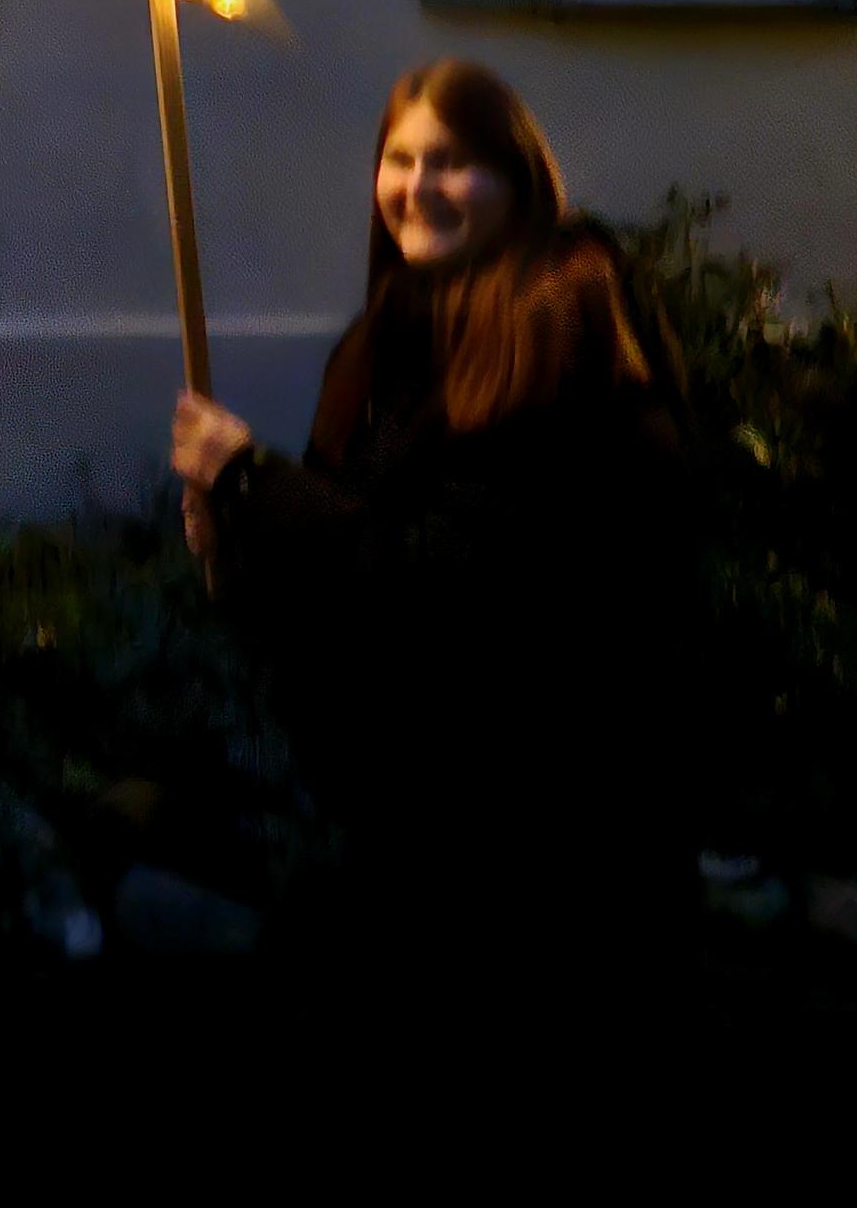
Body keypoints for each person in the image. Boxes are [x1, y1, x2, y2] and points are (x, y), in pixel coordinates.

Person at [171, 57, 699, 999]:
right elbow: (338, 574)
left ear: (517, 177)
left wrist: (251, 478)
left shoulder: (556, 329)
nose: (414, 188)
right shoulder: (388, 339)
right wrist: (236, 543)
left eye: (450, 162)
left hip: (548, 848)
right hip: (409, 835)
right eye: (398, 159)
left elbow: (446, 585)